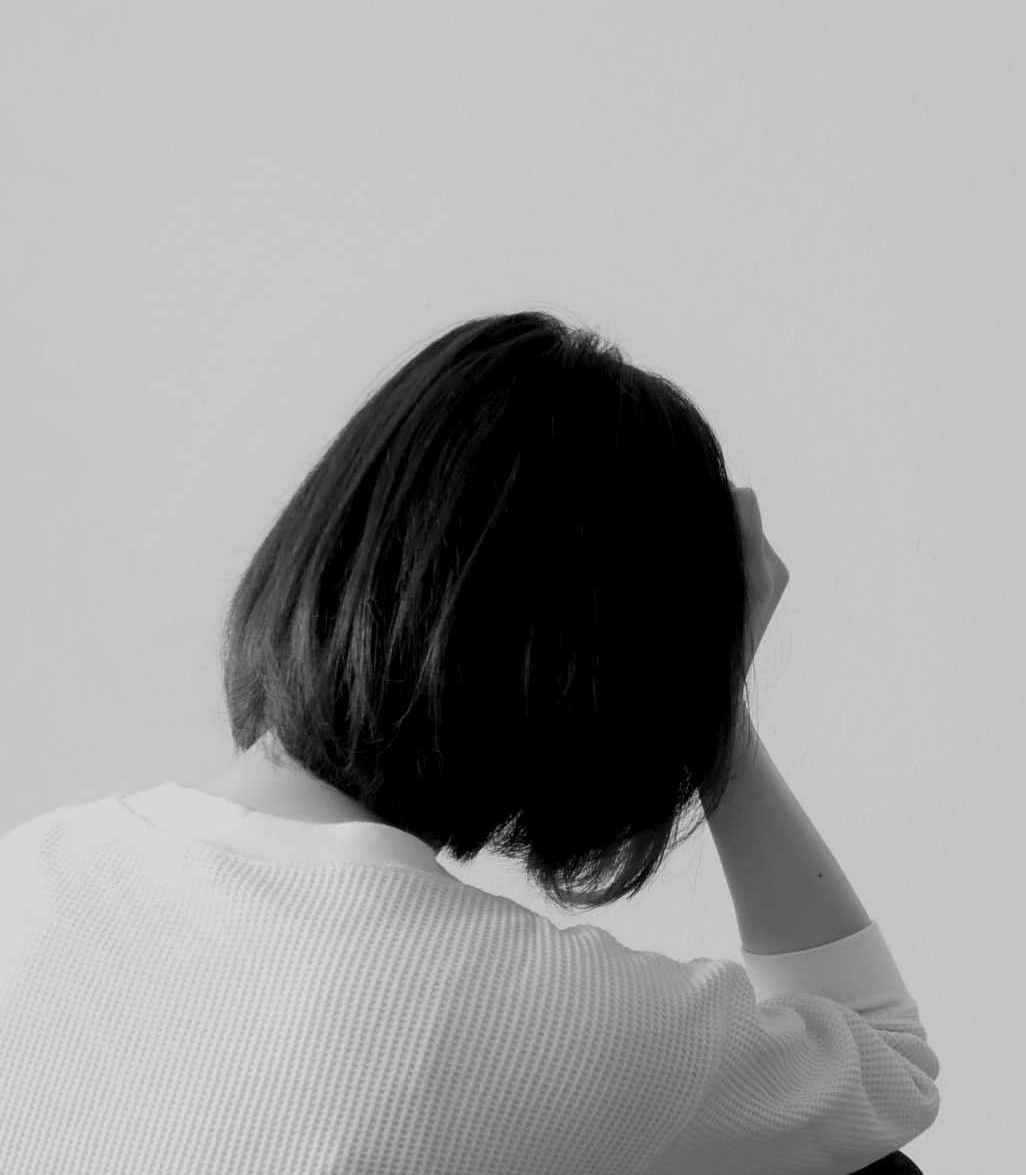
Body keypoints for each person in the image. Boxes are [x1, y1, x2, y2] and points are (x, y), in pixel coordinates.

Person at [0, 311, 937, 1174]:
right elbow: (884, 1073)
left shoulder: (33, 870)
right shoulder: (541, 1017)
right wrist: (715, 710)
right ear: (605, 671)